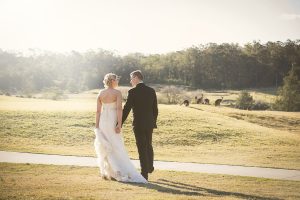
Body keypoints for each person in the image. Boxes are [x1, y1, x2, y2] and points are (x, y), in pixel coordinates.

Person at [94, 73, 147, 183]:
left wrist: (97, 125)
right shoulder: (117, 93)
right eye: (116, 79)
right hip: (113, 119)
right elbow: (119, 109)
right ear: (113, 81)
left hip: (103, 120)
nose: (117, 81)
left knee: (106, 144)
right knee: (116, 145)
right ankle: (118, 171)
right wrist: (119, 124)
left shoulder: (101, 93)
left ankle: (112, 171)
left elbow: (98, 111)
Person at [122, 70, 158, 181]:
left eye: (131, 78)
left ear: (136, 77)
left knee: (142, 148)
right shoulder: (151, 91)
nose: (130, 81)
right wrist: (153, 122)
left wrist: (119, 123)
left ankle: (144, 174)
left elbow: (126, 109)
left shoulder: (132, 92)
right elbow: (155, 110)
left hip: (138, 124)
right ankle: (150, 167)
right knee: (148, 145)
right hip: (149, 124)